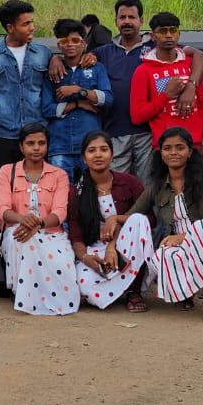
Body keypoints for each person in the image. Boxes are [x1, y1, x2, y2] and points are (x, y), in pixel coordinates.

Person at [128, 127, 203, 323]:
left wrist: (185, 237)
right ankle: (185, 293)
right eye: (167, 148)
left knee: (202, 227)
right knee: (164, 252)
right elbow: (133, 214)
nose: (173, 152)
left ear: (190, 152)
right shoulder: (157, 186)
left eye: (180, 147)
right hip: (179, 245)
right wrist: (114, 220)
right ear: (161, 154)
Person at [93, 0, 203, 178]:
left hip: (149, 134)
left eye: (132, 17)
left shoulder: (162, 45)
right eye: (122, 17)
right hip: (116, 130)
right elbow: (76, 59)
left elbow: (201, 56)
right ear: (115, 21)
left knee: (151, 184)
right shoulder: (104, 51)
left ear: (141, 20)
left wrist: (191, 86)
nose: (127, 21)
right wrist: (55, 60)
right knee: (118, 184)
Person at [0, 121, 78, 316]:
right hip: (16, 229)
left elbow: (60, 212)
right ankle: (24, 295)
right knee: (22, 237)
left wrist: (39, 223)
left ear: (47, 145)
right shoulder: (6, 171)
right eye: (30, 143)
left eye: (41, 143)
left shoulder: (59, 175)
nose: (36, 148)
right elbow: (2, 209)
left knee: (63, 263)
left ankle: (53, 298)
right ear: (21, 146)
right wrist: (23, 220)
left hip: (51, 233)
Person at [67, 131, 151, 311]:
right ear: (84, 158)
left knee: (138, 219)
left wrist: (116, 223)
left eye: (104, 149)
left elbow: (150, 219)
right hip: (95, 249)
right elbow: (76, 236)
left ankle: (133, 290)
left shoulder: (129, 182)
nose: (98, 155)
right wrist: (87, 258)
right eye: (92, 151)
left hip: (127, 245)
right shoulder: (76, 192)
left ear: (112, 155)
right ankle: (117, 289)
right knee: (84, 286)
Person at [0, 0, 52, 169]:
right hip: (5, 133)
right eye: (26, 24)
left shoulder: (44, 53)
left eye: (32, 22)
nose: (32, 27)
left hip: (38, 134)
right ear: (10, 28)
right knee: (5, 181)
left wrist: (56, 60)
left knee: (39, 182)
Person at [130, 12, 203, 155]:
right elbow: (137, 116)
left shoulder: (191, 64)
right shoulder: (143, 71)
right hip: (165, 146)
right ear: (152, 36)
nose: (168, 35)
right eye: (162, 31)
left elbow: (202, 104)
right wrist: (166, 95)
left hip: (195, 143)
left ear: (178, 34)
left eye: (173, 31)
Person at [41, 18, 111, 181]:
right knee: (61, 192)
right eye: (64, 41)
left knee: (93, 189)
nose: (70, 45)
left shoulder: (97, 68)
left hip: (91, 146)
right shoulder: (52, 72)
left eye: (75, 40)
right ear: (59, 45)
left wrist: (79, 91)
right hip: (60, 146)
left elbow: (107, 99)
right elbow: (46, 109)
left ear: (83, 43)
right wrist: (77, 104)